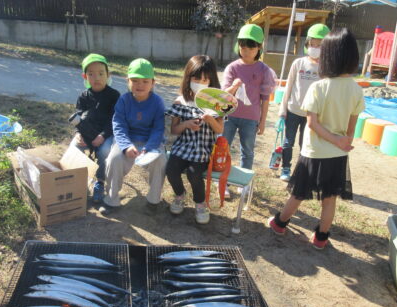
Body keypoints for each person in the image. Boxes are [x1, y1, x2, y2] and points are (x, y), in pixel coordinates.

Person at [268, 28, 365, 250]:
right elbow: (351, 127)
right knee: (329, 198)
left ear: (327, 57)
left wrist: (332, 139)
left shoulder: (318, 87)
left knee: (298, 192)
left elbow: (312, 124)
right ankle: (321, 238)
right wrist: (342, 141)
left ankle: (280, 223)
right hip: (338, 153)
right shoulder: (356, 90)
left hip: (313, 152)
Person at [100, 58, 167, 215]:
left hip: (151, 142)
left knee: (161, 161)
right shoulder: (124, 100)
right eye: (135, 80)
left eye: (145, 81)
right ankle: (111, 199)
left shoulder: (157, 102)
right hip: (128, 141)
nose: (140, 85)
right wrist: (125, 146)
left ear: (153, 83)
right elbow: (118, 125)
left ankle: (153, 200)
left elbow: (158, 129)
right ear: (127, 81)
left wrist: (149, 148)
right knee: (114, 159)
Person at [165, 55, 223, 224]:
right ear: (188, 78)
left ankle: (200, 203)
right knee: (171, 169)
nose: (201, 83)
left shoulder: (215, 102)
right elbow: (174, 130)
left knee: (194, 173)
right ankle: (180, 194)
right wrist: (187, 124)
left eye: (205, 80)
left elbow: (220, 130)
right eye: (197, 78)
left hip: (202, 150)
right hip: (182, 147)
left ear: (211, 81)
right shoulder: (180, 101)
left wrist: (210, 119)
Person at [221, 24, 276, 196]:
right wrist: (234, 86)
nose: (245, 48)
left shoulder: (264, 71)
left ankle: (243, 183)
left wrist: (262, 121)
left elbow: (265, 98)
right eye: (242, 43)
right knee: (224, 148)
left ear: (259, 47)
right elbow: (223, 94)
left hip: (251, 118)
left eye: (251, 45)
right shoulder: (232, 68)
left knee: (247, 151)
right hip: (229, 115)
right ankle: (222, 182)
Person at [278, 24, 330, 181]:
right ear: (307, 43)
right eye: (312, 44)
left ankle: (300, 171)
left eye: (319, 45)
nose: (315, 48)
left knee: (305, 144)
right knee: (288, 142)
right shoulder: (298, 63)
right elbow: (289, 86)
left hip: (312, 114)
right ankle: (285, 168)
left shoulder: (327, 67)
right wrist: (283, 109)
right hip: (293, 110)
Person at [68, 53, 120, 203]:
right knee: (74, 147)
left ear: (108, 75)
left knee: (104, 151)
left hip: (105, 134)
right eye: (91, 74)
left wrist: (103, 135)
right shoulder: (83, 96)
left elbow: (114, 120)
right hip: (87, 133)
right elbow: (78, 118)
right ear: (85, 76)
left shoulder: (114, 96)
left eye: (101, 73)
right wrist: (79, 133)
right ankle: (77, 182)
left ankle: (100, 182)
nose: (96, 78)